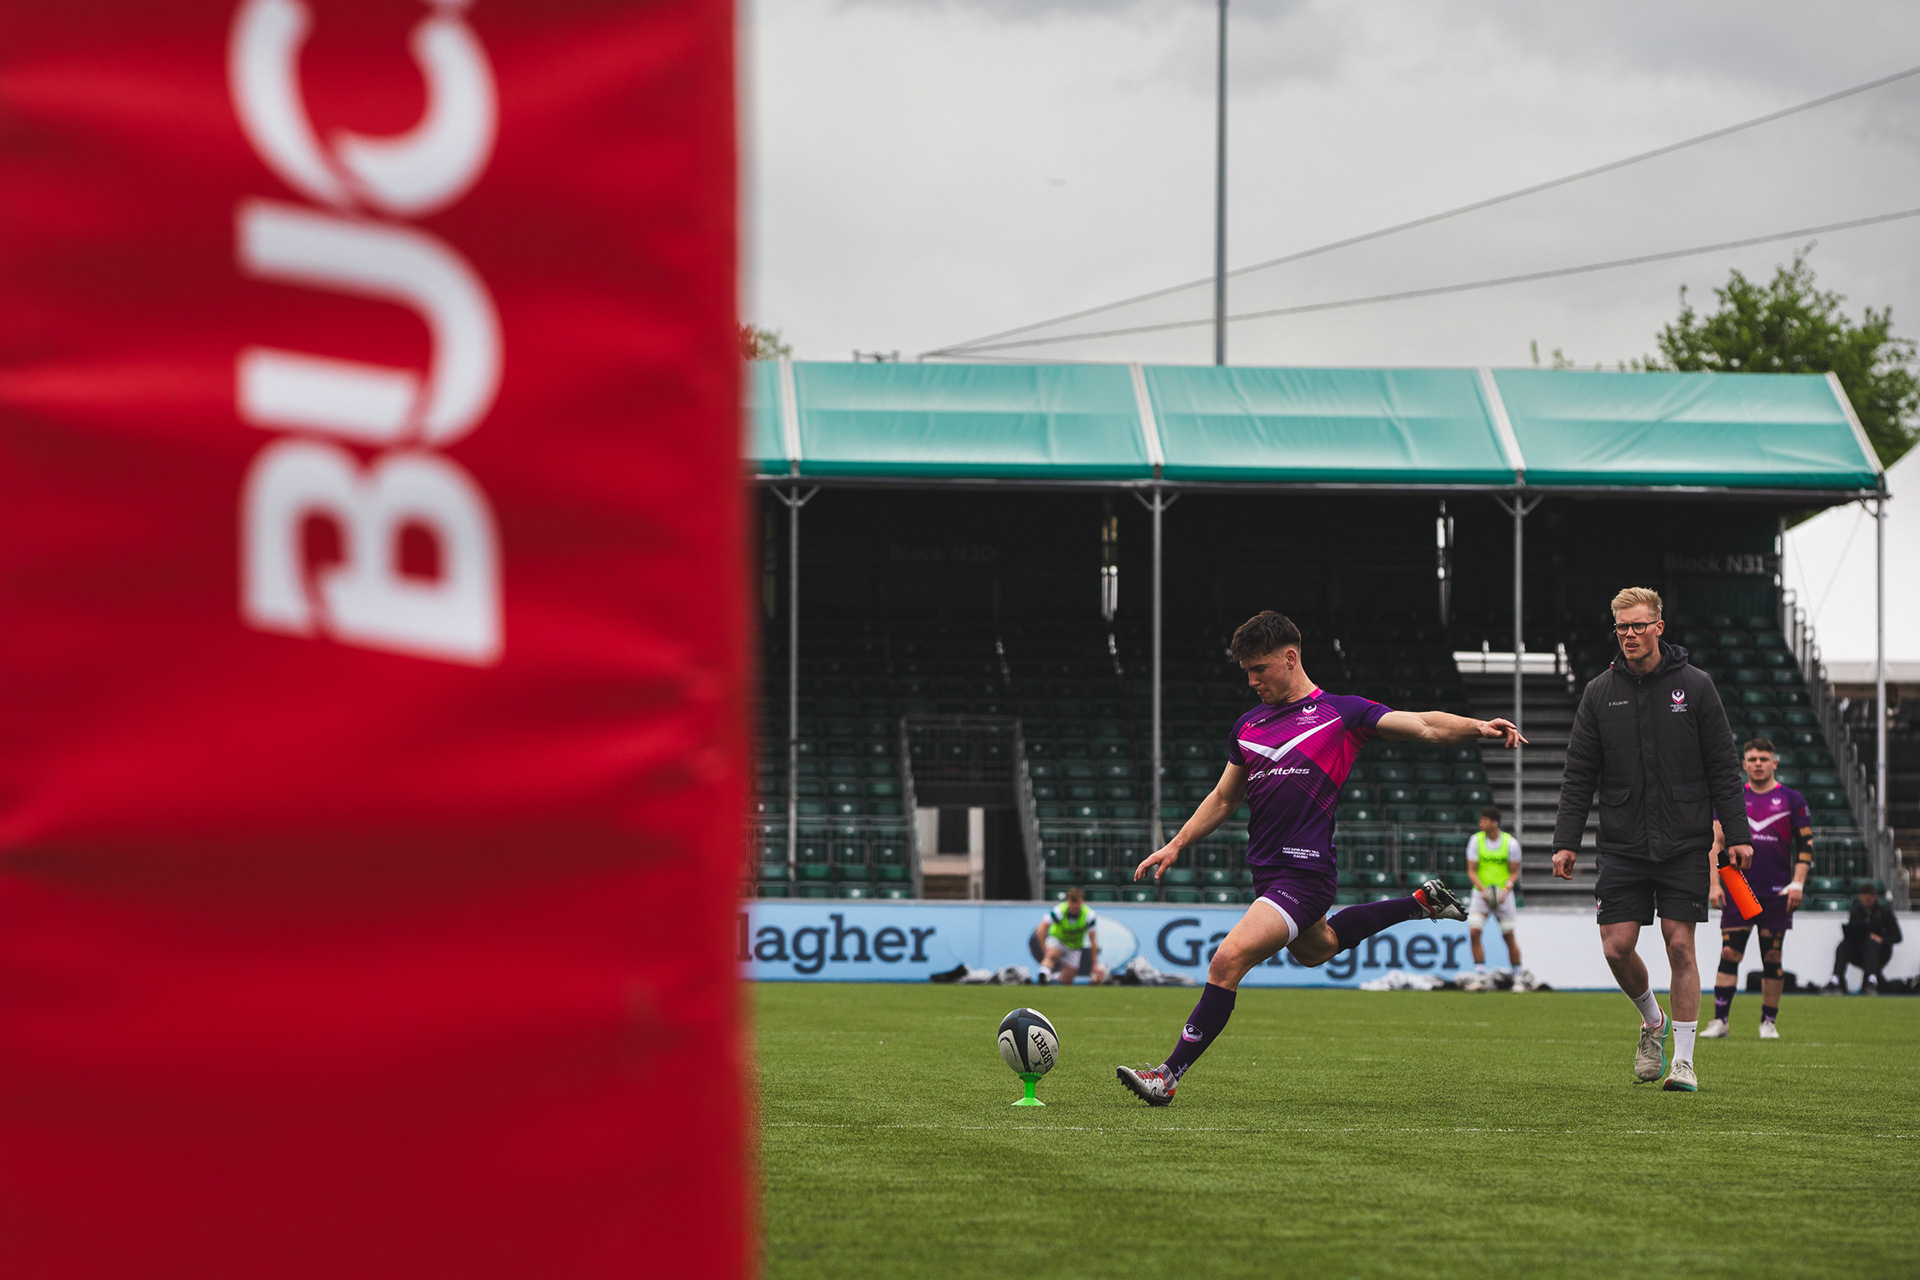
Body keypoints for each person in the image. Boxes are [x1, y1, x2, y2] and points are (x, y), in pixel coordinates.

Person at [1115, 610, 1524, 1106]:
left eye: (1260, 668)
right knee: (1318, 949)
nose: (1252, 681)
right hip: (1268, 873)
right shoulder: (1247, 725)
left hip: (1304, 871)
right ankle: (1419, 902)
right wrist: (1177, 843)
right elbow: (1224, 797)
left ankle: (1167, 1076)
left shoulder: (1341, 714)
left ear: (1290, 658)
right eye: (1246, 671)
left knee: (1226, 961)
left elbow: (1422, 725)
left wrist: (1476, 726)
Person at [1551, 587, 1750, 1094]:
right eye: (1622, 626)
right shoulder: (1599, 692)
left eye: (1638, 625)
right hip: (1621, 843)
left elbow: (1723, 767)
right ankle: (1652, 1020)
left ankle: (1683, 1061)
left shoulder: (1697, 686)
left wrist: (1738, 834)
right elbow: (1579, 773)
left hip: (1684, 840)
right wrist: (1566, 841)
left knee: (1680, 944)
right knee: (1617, 948)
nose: (1630, 635)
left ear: (1659, 627)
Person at [1703, 738, 1811, 1040]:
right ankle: (1720, 1021)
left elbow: (1805, 846)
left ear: (1774, 763)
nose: (1758, 763)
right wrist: (1714, 884)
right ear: (1744, 764)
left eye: (1764, 758)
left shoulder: (1792, 799)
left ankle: (1768, 1022)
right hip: (1738, 888)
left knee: (1772, 956)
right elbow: (1716, 843)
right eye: (1752, 759)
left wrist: (1798, 883)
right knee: (1729, 952)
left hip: (1776, 892)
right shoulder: (1732, 798)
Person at [1466, 805, 1524, 975]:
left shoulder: (1510, 843)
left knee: (1508, 936)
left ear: (1495, 822)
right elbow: (1471, 871)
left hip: (1503, 895)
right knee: (1474, 932)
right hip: (1480, 894)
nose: (1481, 824)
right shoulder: (1475, 841)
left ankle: (1518, 974)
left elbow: (1514, 873)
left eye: (1485, 820)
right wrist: (1483, 890)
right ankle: (1480, 974)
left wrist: (1505, 890)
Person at [1831, 882, 1903, 994]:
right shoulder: (1856, 912)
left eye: (1868, 900)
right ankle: (1836, 979)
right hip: (1859, 950)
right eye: (1863, 900)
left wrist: (1881, 939)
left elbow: (1897, 936)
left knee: (1870, 944)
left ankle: (1871, 980)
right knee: (1843, 945)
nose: (1865, 903)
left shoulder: (1885, 913)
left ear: (1874, 897)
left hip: (1880, 951)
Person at [1034, 885, 1107, 984]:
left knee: (1068, 979)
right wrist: (1046, 951)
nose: (1075, 906)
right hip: (1058, 939)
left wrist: (1094, 965)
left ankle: (1053, 977)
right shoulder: (1059, 911)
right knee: (1052, 954)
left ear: (1082, 902)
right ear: (1068, 901)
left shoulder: (1089, 916)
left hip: (1074, 946)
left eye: (1078, 903)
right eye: (1073, 903)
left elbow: (1093, 941)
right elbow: (1041, 929)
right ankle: (1043, 973)